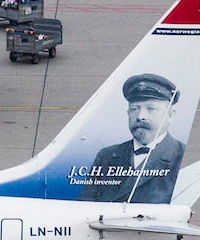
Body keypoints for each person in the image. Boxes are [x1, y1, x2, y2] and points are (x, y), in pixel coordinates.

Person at [77, 73, 184, 203]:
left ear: (170, 115)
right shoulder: (107, 156)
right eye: (134, 109)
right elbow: (85, 203)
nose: (140, 116)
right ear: (128, 113)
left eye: (151, 109)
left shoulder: (181, 156)